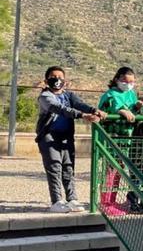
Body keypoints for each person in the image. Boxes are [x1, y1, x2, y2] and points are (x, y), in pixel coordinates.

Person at [35, 66, 105, 213]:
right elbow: (58, 108)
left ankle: (72, 199)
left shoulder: (69, 95)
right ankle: (57, 201)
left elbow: (80, 104)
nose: (57, 80)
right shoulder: (45, 97)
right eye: (53, 77)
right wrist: (82, 115)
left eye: (60, 77)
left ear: (65, 81)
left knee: (68, 167)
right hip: (49, 136)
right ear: (46, 80)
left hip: (66, 137)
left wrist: (93, 110)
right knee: (55, 166)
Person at [97, 67, 139, 215]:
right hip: (111, 137)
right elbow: (113, 106)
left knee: (119, 170)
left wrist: (139, 108)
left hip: (126, 139)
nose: (128, 84)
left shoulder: (132, 94)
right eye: (125, 81)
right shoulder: (110, 94)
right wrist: (120, 111)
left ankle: (112, 201)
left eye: (132, 82)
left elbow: (134, 110)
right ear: (117, 79)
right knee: (110, 170)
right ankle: (105, 202)